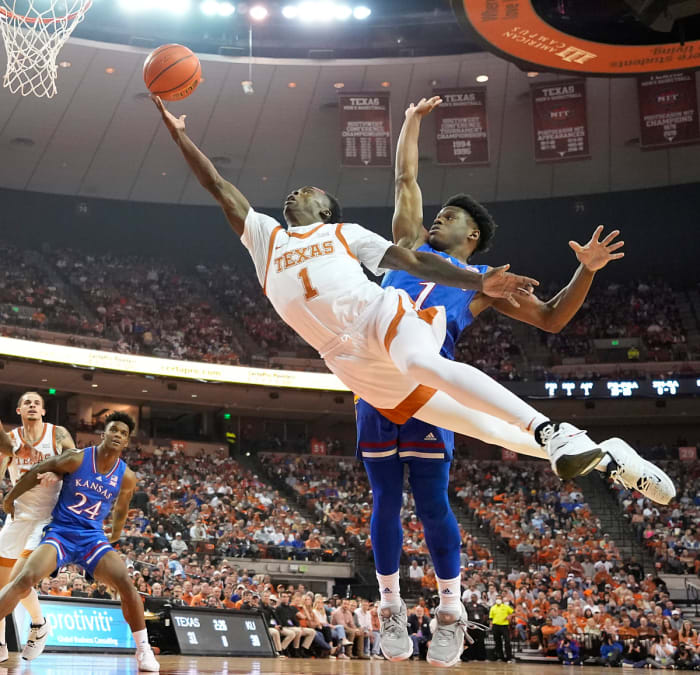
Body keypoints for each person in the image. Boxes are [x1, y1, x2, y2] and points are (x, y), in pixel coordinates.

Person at [152, 95, 622, 490]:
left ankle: (550, 428)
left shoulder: (348, 234)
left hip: (387, 320)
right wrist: (177, 135)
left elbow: (547, 316)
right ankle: (599, 455)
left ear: (328, 211)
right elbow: (217, 184)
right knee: (480, 425)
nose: (296, 193)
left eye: (309, 191)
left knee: (424, 365)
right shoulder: (265, 237)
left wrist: (523, 277)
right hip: (345, 360)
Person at [352, 97, 674, 666]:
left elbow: (550, 318)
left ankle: (450, 612)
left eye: (449, 217)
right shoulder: (403, 248)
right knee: (382, 498)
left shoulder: (484, 281)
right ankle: (390, 607)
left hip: (432, 388)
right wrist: (409, 122)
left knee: (429, 502)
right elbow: (405, 177)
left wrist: (586, 271)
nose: (437, 220)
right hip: (376, 382)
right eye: (439, 213)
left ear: (472, 234)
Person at [0, 412, 159, 672]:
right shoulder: (77, 457)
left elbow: (122, 507)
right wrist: (11, 497)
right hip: (61, 532)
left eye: (123, 433)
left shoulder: (127, 476)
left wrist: (116, 534)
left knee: (126, 585)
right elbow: (40, 469)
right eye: (114, 430)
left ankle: (143, 650)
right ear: (103, 434)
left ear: (127, 442)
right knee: (24, 579)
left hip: (92, 538)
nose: (118, 435)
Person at [0, 391, 75, 661]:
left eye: (37, 403)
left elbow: (75, 463)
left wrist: (57, 470)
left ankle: (39, 624)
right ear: (19, 410)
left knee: (20, 577)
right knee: (1, 582)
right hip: (18, 516)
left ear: (43, 411)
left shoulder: (57, 434)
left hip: (46, 518)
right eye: (27, 403)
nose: (32, 405)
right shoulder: (11, 440)